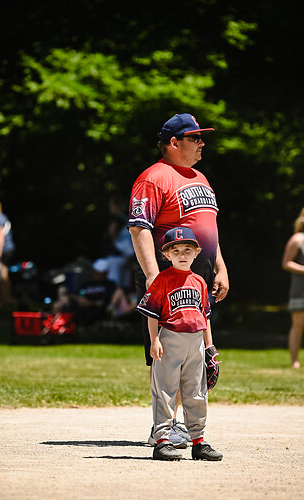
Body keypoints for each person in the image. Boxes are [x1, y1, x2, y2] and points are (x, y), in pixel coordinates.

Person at [128, 113, 229, 446]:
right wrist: (154, 276)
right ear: (174, 142)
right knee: (168, 354)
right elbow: (139, 227)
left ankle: (182, 425)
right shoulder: (154, 177)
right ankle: (166, 426)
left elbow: (207, 228)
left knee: (196, 353)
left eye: (202, 138)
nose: (202, 143)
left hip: (198, 276)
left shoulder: (200, 177)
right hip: (168, 275)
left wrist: (220, 265)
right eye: (195, 138)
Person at [136, 227, 223, 461]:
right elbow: (152, 314)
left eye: (188, 249)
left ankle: (198, 441)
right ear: (167, 255)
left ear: (197, 253)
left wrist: (210, 347)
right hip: (170, 337)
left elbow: (205, 316)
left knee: (197, 391)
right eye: (176, 250)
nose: (182, 254)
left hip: (195, 341)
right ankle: (162, 440)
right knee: (165, 389)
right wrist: (154, 340)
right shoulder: (161, 280)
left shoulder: (200, 282)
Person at [282, 207, 304, 368]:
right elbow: (286, 262)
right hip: (300, 289)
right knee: (298, 324)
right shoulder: (297, 239)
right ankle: (294, 361)